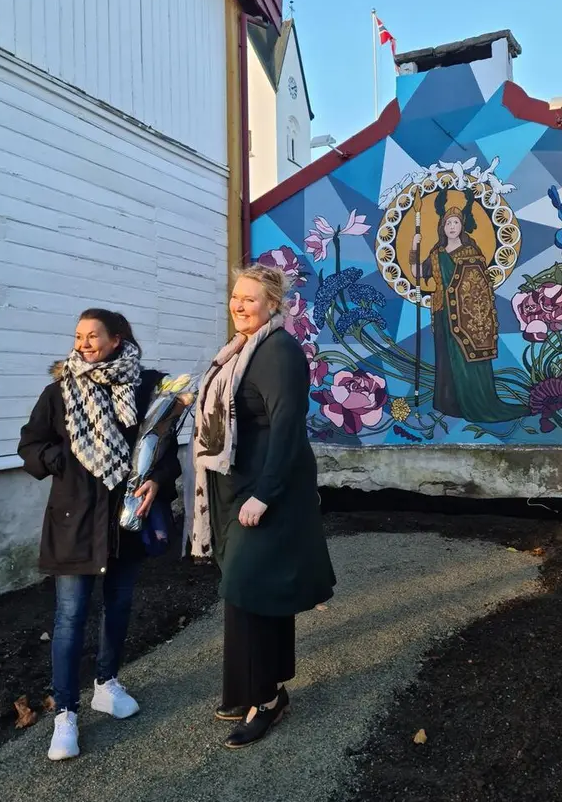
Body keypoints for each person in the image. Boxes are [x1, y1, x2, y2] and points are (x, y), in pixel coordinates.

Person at [18, 309, 181, 761]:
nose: (84, 344)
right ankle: (65, 713)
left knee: (120, 603)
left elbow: (163, 450)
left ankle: (106, 684)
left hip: (125, 519)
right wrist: (64, 460)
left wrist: (157, 480)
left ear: (117, 340)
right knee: (70, 617)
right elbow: (29, 446)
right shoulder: (59, 393)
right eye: (78, 336)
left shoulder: (145, 387)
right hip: (75, 522)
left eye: (94, 336)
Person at [187, 264, 336, 749]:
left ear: (274, 305)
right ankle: (244, 689)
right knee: (245, 590)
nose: (239, 305)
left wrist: (264, 494)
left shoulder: (279, 351)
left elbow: (288, 426)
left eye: (250, 298)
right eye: (236, 296)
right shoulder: (241, 351)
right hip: (237, 487)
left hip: (266, 490)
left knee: (253, 589)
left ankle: (267, 699)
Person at [411, 189, 526, 423]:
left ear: (461, 226)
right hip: (442, 314)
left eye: (455, 222)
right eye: (447, 223)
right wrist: (414, 245)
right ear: (442, 228)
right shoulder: (436, 253)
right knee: (445, 359)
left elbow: (478, 288)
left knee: (464, 359)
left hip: (465, 318)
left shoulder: (470, 252)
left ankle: (474, 402)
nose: (451, 226)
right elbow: (416, 274)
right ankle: (448, 403)